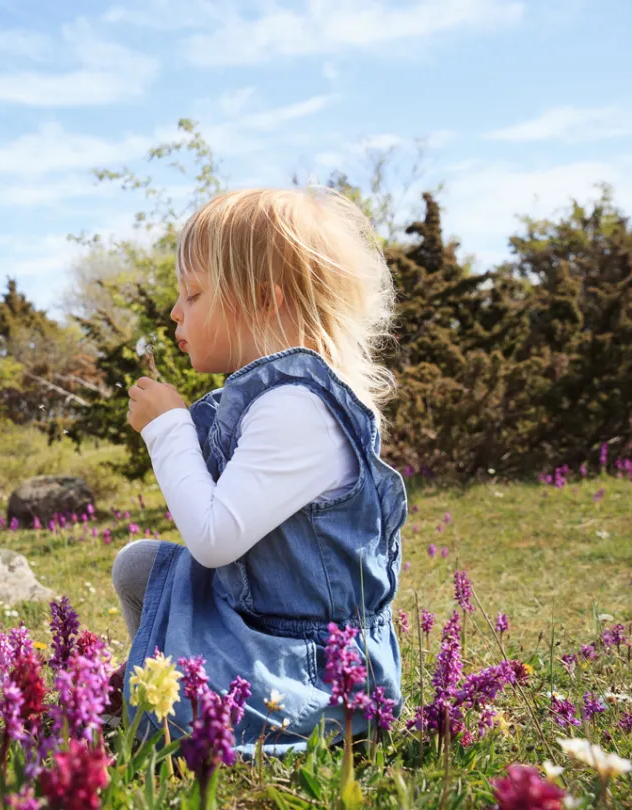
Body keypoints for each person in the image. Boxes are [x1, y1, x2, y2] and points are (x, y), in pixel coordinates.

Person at [111, 186, 409, 757]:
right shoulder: (263, 402)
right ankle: (152, 689)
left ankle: (164, 709)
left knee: (154, 586)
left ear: (264, 300)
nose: (175, 311)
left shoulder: (297, 409)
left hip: (312, 670)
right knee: (140, 567)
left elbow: (214, 540)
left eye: (193, 293)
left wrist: (169, 430)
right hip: (257, 626)